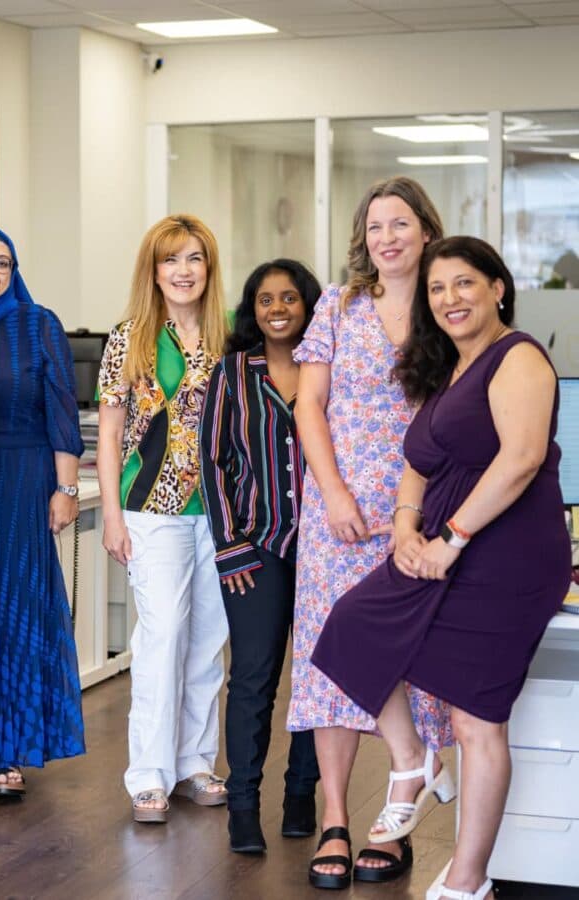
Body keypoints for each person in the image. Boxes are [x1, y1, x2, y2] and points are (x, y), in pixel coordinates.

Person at [312, 236, 570, 900]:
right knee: (351, 626)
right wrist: (404, 524)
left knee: (475, 719)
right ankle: (414, 759)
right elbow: (418, 460)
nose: (450, 299)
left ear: (497, 288)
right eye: (437, 289)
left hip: (506, 554)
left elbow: (519, 460)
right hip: (440, 544)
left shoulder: (519, 358)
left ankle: (467, 878)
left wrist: (448, 539)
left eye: (464, 284)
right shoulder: (450, 368)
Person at [288, 176, 453, 889]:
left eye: (401, 224)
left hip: (421, 506)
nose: (387, 237)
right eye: (376, 226)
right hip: (338, 512)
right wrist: (331, 492)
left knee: (409, 656)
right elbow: (309, 405)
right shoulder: (338, 304)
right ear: (365, 237)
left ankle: (401, 797)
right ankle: (335, 818)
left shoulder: (449, 306)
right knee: (333, 654)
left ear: (425, 232)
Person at [97, 214, 229, 824]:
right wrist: (112, 518)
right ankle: (148, 775)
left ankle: (195, 763)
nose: (183, 271)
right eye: (171, 260)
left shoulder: (230, 337)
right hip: (151, 507)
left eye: (194, 259)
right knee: (163, 636)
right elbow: (110, 434)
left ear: (209, 268)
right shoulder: (130, 337)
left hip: (222, 512)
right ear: (154, 270)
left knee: (207, 642)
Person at [0, 224, 85, 795]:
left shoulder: (38, 324)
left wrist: (66, 488)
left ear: (14, 271)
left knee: (10, 614)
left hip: (19, 479)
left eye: (1, 263)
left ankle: (4, 750)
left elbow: (61, 411)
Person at [198, 259, 322, 853]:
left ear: (308, 305)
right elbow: (212, 462)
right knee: (252, 677)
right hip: (256, 546)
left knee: (317, 676)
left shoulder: (326, 368)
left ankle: (302, 793)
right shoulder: (230, 373)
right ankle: (243, 805)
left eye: (290, 298)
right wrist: (230, 547)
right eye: (266, 299)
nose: (278, 308)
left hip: (324, 544)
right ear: (253, 308)